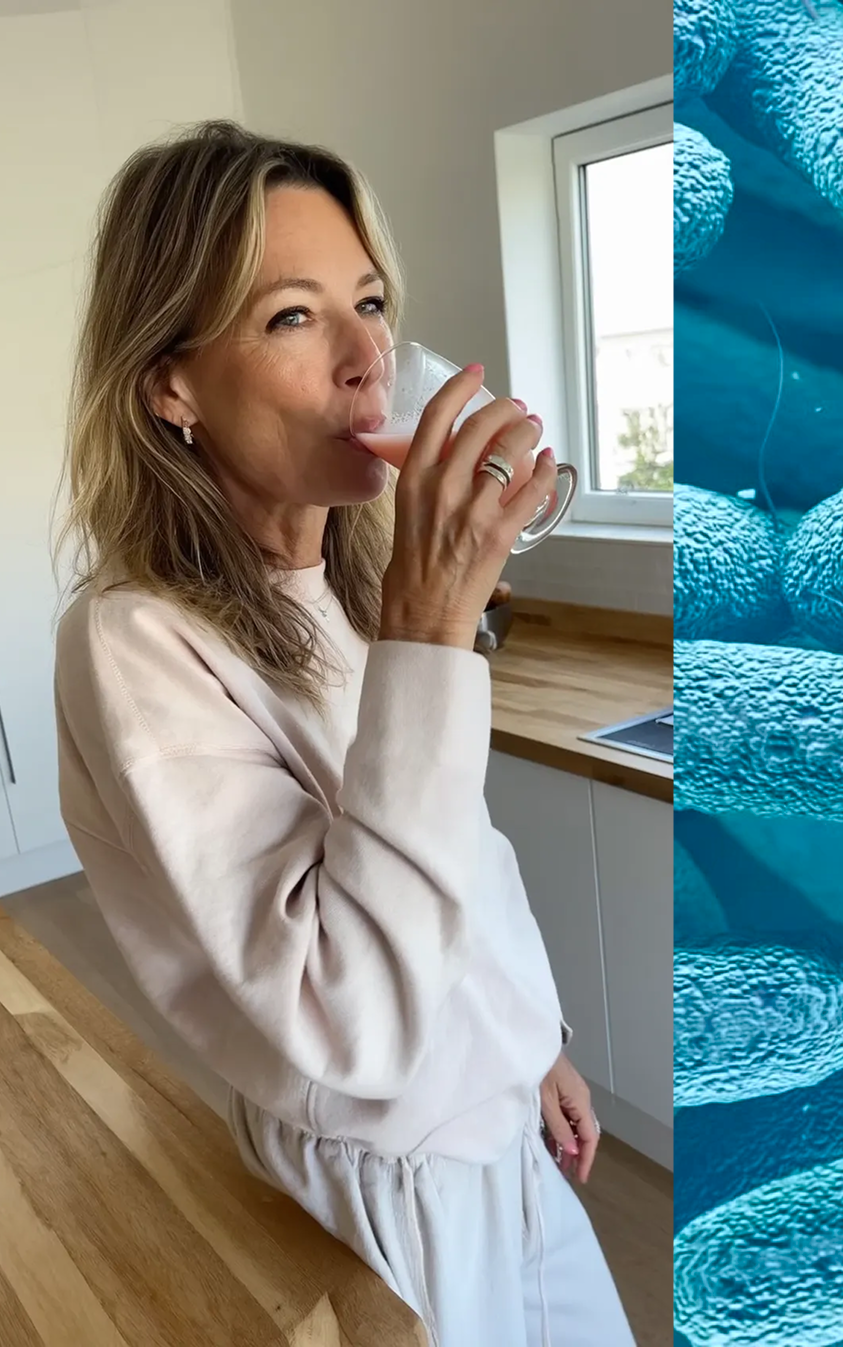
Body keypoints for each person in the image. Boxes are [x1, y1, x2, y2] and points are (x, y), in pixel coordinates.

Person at [51, 119, 637, 1347]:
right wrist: (434, 636)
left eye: (370, 302)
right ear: (169, 383)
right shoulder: (137, 643)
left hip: (501, 1144)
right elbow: (351, 1013)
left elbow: (454, 855)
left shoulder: (352, 589)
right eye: (292, 317)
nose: (373, 358)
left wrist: (526, 1043)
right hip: (388, 1200)